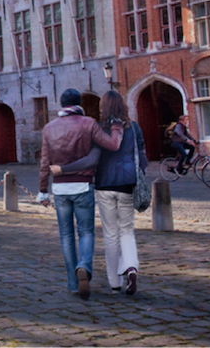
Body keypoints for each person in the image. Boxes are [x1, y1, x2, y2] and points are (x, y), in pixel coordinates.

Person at [53, 91, 147, 296]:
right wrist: (139, 174)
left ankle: (115, 282)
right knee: (127, 230)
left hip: (104, 184)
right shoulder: (134, 127)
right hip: (127, 183)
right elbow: (142, 155)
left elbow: (92, 157)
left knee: (111, 234)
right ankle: (131, 267)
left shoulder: (98, 128)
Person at [37, 89, 124, 300]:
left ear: (61, 105)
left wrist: (42, 190)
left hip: (60, 189)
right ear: (79, 103)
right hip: (83, 186)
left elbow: (45, 162)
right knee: (86, 233)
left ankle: (73, 283)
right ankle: (84, 265)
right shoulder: (88, 124)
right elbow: (112, 145)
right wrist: (116, 128)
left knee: (66, 236)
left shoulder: (49, 128)